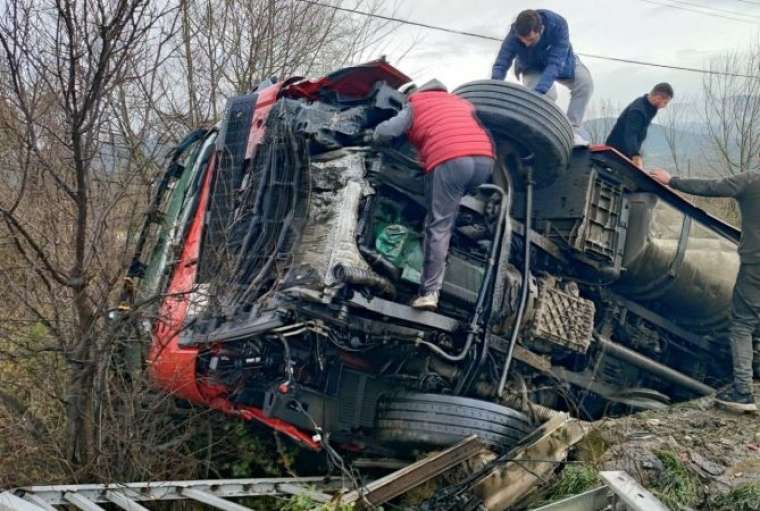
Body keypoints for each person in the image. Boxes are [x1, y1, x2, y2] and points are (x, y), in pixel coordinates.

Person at [372, 79, 495, 311]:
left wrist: (373, 137)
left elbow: (385, 132)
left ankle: (429, 292)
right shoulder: (461, 102)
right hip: (484, 161)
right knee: (446, 215)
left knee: (438, 225)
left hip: (452, 158)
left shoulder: (416, 103)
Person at [650, 167, 760, 413]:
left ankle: (743, 392)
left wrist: (672, 181)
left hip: (756, 266)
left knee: (742, 325)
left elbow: (712, 187)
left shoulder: (752, 180)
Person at [491, 9, 593, 133]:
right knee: (547, 96)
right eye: (522, 40)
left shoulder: (558, 25)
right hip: (531, 66)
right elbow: (502, 61)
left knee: (585, 83)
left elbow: (555, 64)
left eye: (531, 40)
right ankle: (542, 132)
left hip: (561, 62)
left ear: (541, 29)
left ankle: (572, 131)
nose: (527, 44)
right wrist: (494, 88)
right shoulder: (513, 35)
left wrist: (540, 91)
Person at [606, 83, 674, 168]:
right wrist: (636, 156)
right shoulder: (637, 111)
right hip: (617, 153)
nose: (665, 106)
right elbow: (631, 134)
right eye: (665, 103)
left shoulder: (650, 106)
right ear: (658, 98)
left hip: (628, 152)